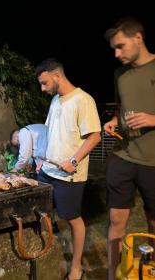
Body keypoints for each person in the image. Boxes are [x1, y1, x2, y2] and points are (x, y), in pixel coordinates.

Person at [35, 58, 101, 280]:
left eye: (44, 83)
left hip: (69, 175)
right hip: (48, 170)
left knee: (73, 218)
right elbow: (48, 130)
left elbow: (95, 136)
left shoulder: (83, 100)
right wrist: (41, 157)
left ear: (57, 76)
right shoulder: (55, 100)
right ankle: (49, 252)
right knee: (47, 213)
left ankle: (76, 267)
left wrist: (73, 161)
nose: (42, 89)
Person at [104, 16, 155, 280]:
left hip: (153, 160)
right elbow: (121, 107)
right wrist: (113, 121)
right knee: (115, 220)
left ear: (138, 38)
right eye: (113, 48)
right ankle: (113, 275)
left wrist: (153, 119)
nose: (116, 53)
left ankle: (151, 270)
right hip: (123, 154)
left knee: (153, 223)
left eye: (121, 46)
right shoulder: (119, 74)